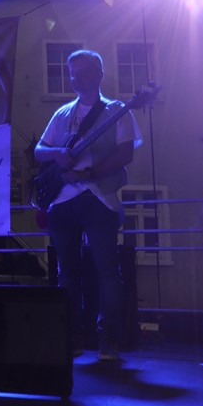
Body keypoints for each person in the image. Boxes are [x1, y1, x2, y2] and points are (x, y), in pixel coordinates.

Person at [34, 49, 142, 361]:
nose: (76, 79)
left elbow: (125, 154)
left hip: (99, 198)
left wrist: (88, 173)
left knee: (107, 271)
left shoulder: (117, 110)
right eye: (72, 74)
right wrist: (57, 154)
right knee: (67, 273)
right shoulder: (62, 113)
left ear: (99, 74)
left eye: (82, 72)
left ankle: (108, 341)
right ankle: (72, 338)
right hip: (62, 201)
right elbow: (39, 150)